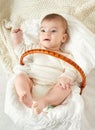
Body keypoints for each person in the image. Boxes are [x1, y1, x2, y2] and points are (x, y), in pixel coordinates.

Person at [12, 13, 80, 114]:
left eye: (53, 31)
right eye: (43, 30)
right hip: (33, 83)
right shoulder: (35, 48)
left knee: (65, 88)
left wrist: (66, 77)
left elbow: (73, 69)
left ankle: (44, 102)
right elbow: (20, 51)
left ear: (63, 38)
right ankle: (26, 96)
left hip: (52, 89)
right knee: (20, 77)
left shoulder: (66, 56)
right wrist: (17, 39)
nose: (46, 34)